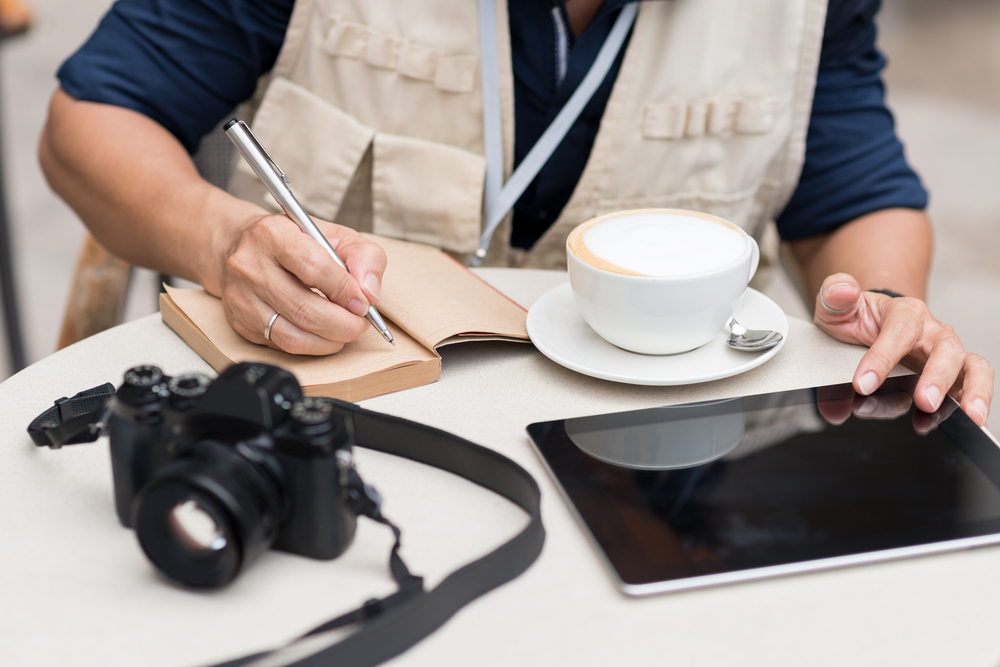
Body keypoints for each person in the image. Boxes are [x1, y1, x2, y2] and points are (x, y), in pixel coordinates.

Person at [39, 0, 993, 427]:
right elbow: (91, 123)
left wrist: (881, 298)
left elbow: (855, 191)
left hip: (646, 460)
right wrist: (224, 236)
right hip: (323, 427)